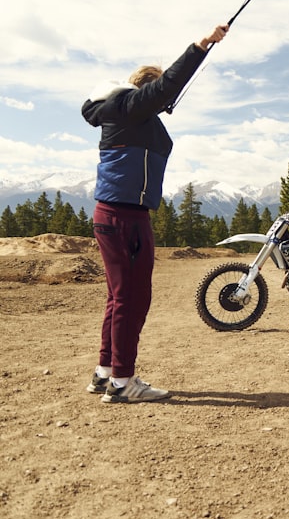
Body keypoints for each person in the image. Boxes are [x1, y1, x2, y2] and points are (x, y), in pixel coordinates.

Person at [81, 23, 229, 403]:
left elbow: (162, 101)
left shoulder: (133, 116)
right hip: (124, 217)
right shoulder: (129, 107)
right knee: (132, 298)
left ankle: (105, 371)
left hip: (116, 213)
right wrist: (202, 46)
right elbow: (165, 89)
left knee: (120, 297)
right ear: (146, 90)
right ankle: (122, 381)